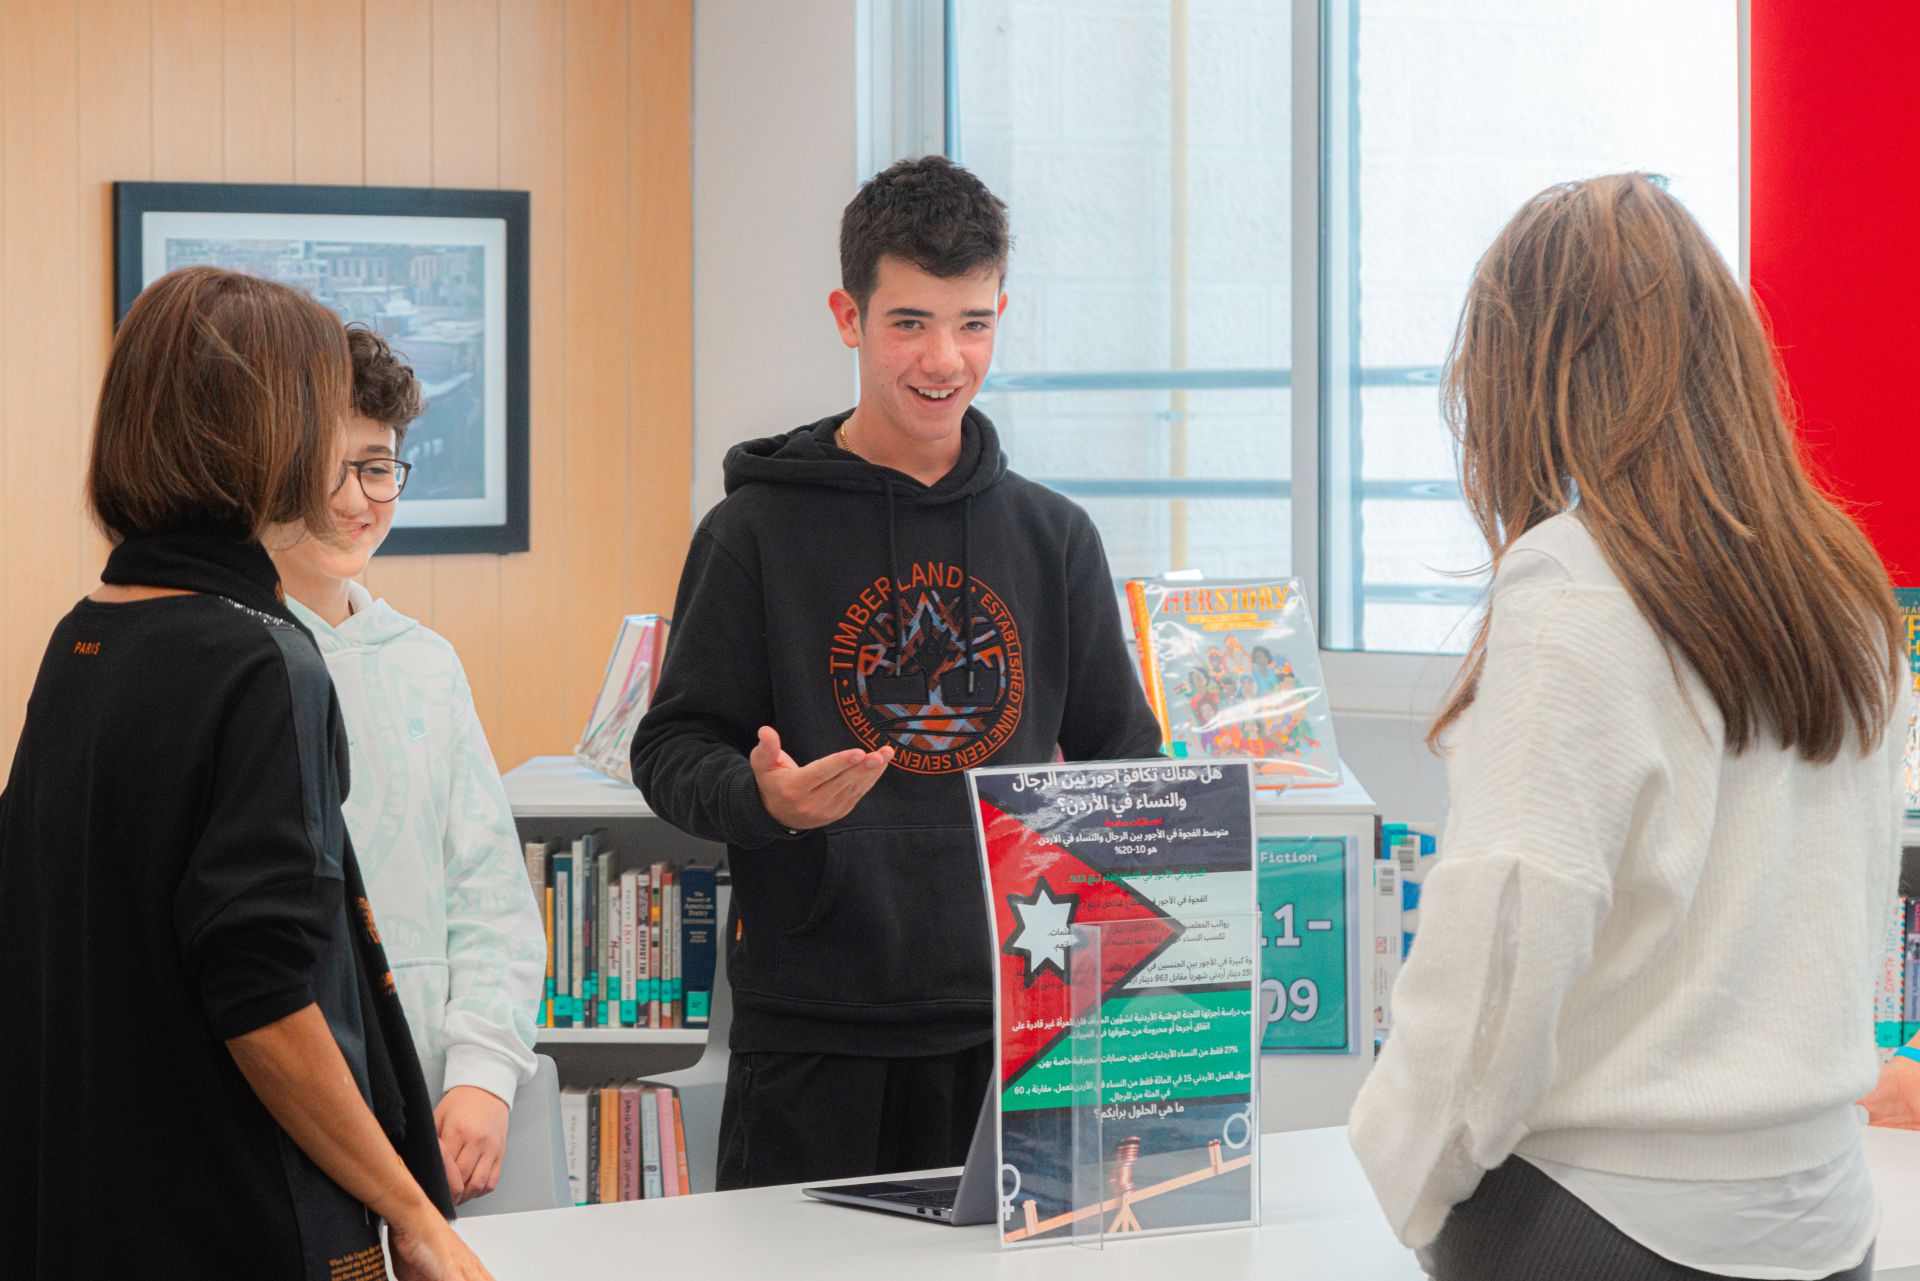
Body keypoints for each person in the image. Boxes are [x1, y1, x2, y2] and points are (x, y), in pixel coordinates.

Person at [1348, 173, 1905, 1281]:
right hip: (1825, 1214)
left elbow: (1506, 932)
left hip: (1600, 1220)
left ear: (1534, 370)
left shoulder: (1578, 585)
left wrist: (1402, 1167)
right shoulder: (1846, 585)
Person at [630, 154, 1162, 1190]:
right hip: (815, 1034)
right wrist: (764, 799)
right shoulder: (753, 533)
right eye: (910, 321)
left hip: (1020, 1024)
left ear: (1002, 313)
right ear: (848, 316)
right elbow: (669, 749)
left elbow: (1128, 762)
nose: (944, 360)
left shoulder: (1055, 539)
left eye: (973, 323)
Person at [0, 267, 493, 1280]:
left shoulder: (88, 637)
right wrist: (413, 1212)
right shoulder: (258, 660)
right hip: (228, 1217)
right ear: (265, 438)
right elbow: (263, 997)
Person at [268, 326, 546, 1206]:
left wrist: (483, 1072)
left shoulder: (425, 662)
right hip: (283, 1108)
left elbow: (490, 894)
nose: (358, 498)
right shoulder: (230, 660)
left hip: (433, 1107)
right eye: (332, 465)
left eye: (380, 466)